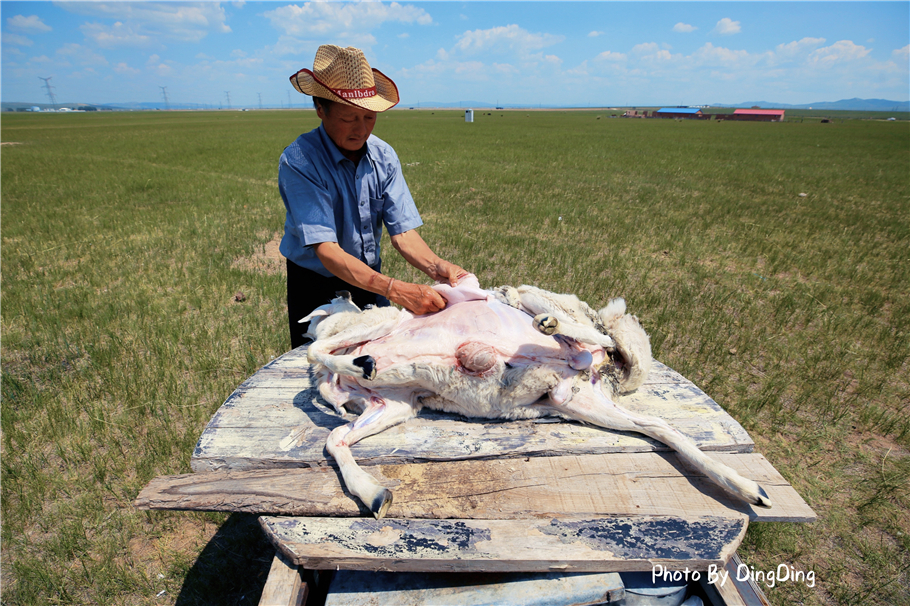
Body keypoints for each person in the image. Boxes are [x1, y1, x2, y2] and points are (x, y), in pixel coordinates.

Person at [279, 44, 468, 349]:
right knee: (320, 366)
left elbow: (403, 233)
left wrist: (437, 267)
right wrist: (395, 289)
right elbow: (326, 250)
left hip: (369, 277)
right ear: (319, 108)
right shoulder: (300, 161)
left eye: (369, 117)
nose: (361, 129)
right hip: (315, 283)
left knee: (377, 363)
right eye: (348, 118)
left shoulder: (383, 155)